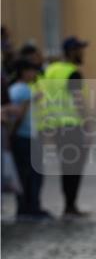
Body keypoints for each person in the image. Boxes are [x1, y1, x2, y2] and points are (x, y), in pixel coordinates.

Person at [34, 36, 89, 218]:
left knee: (66, 166)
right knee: (74, 167)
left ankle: (69, 205)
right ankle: (70, 206)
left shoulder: (50, 70)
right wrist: (88, 124)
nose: (83, 53)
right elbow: (78, 99)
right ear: (72, 52)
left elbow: (41, 94)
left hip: (55, 125)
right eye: (80, 49)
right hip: (71, 125)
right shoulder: (71, 72)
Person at [8, 57, 51, 220]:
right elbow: (20, 115)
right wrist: (14, 134)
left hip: (21, 136)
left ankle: (24, 207)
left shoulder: (14, 88)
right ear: (24, 72)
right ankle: (31, 207)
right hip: (25, 137)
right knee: (33, 174)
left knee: (22, 174)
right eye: (32, 70)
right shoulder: (24, 90)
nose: (34, 74)